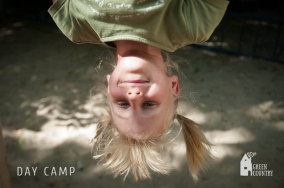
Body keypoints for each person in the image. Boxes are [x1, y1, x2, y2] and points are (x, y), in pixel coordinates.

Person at [48, 0, 229, 181]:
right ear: (173, 86)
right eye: (149, 104)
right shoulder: (194, 23)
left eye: (123, 104)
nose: (134, 96)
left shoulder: (76, 24)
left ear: (109, 87)